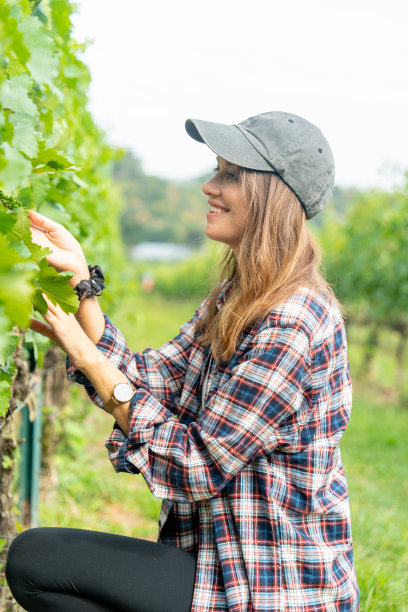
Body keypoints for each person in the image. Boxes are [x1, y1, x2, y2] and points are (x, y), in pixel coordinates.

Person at [6, 111, 360, 611]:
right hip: (218, 562)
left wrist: (88, 357)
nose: (209, 187)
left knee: (37, 561)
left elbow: (197, 465)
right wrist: (83, 287)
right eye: (216, 170)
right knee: (35, 563)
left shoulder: (292, 321)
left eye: (231, 175)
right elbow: (153, 379)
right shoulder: (237, 297)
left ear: (273, 196)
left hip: (272, 589)